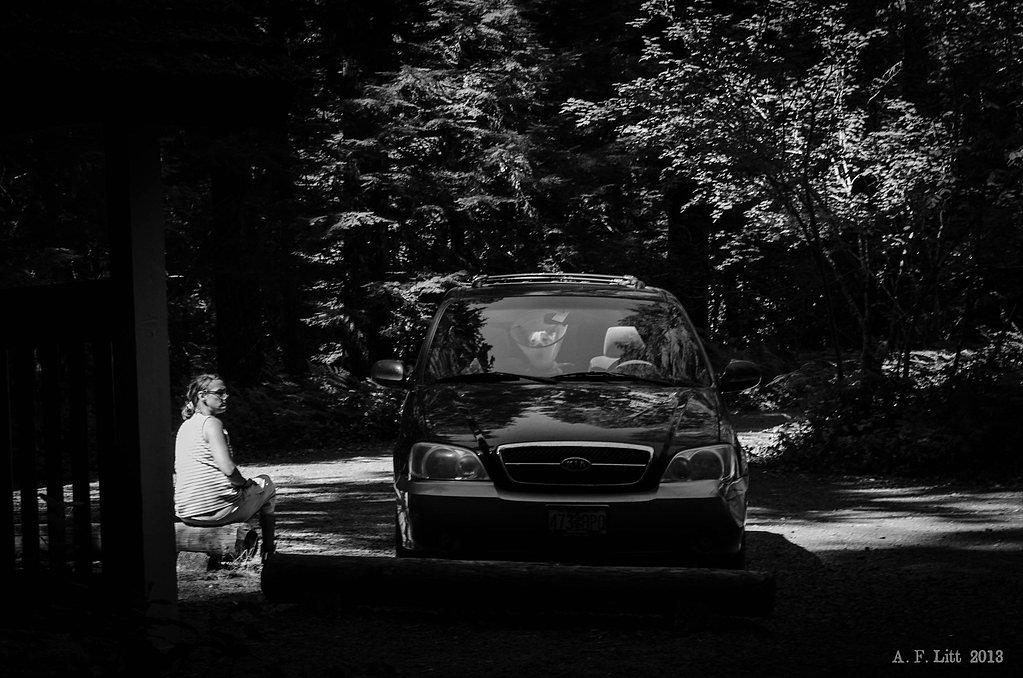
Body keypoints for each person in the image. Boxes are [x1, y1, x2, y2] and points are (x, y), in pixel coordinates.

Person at [174, 374, 277, 560]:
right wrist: (244, 484)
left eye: (225, 393)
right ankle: (269, 552)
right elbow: (228, 469)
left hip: (186, 511)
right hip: (217, 510)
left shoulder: (186, 426)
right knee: (267, 484)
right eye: (220, 393)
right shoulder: (212, 423)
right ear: (202, 395)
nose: (225, 397)